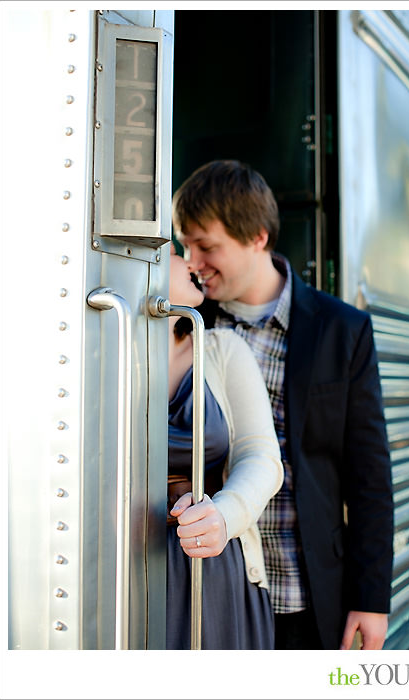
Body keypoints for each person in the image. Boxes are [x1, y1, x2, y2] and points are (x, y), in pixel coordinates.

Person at [171, 159, 394, 650]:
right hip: (215, 583)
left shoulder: (342, 330)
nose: (193, 262)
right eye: (184, 246)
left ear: (257, 237)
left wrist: (371, 598)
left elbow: (369, 477)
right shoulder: (186, 324)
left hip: (306, 587)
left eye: (207, 246)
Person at [165, 249, 283, 649]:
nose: (188, 260)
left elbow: (263, 458)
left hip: (215, 566)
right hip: (122, 568)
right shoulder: (97, 355)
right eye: (172, 250)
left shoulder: (222, 349)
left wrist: (224, 515)